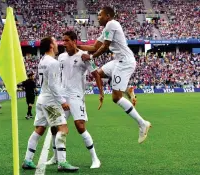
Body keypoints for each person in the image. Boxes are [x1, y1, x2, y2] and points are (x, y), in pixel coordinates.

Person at [79, 6, 151, 144]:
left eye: (100, 15)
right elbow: (94, 46)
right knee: (98, 74)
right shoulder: (107, 28)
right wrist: (76, 47)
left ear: (107, 16)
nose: (98, 17)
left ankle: (142, 124)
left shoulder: (112, 24)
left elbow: (104, 47)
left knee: (116, 98)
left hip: (125, 63)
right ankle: (127, 89)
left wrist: (91, 57)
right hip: (118, 61)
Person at [46, 31, 103, 169]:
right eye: (63, 40)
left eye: (66, 40)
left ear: (74, 41)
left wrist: (101, 93)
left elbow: (96, 74)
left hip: (76, 96)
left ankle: (95, 159)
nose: (64, 43)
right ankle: (55, 157)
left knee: (80, 126)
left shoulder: (84, 56)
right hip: (62, 96)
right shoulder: (61, 57)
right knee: (55, 127)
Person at [22, 36, 79, 172]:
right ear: (51, 46)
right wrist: (63, 101)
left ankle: (28, 159)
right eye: (55, 42)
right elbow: (53, 86)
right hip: (51, 101)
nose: (58, 44)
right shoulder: (53, 63)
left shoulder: (42, 61)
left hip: (42, 99)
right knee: (63, 129)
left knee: (39, 130)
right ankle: (62, 162)